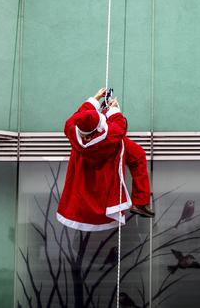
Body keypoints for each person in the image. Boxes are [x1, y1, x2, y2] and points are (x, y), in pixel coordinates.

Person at [57, 88, 154, 231]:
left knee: (137, 154)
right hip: (111, 149)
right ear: (99, 127)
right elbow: (120, 127)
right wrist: (114, 110)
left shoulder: (71, 129)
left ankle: (140, 202)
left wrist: (95, 99)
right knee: (138, 156)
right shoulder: (109, 136)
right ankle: (140, 202)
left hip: (87, 155)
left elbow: (77, 116)